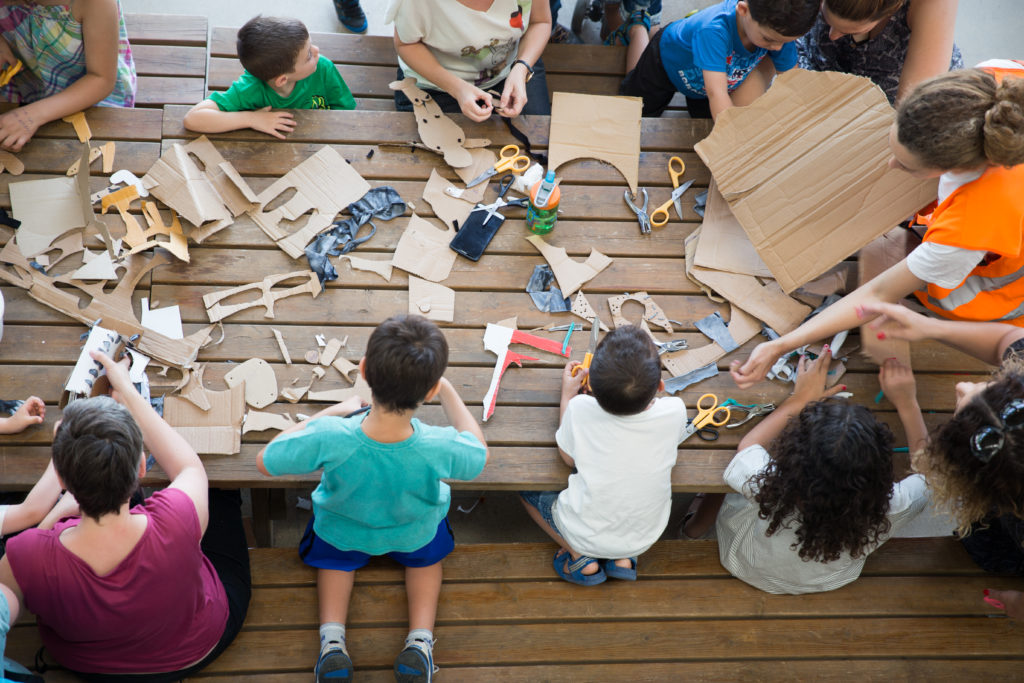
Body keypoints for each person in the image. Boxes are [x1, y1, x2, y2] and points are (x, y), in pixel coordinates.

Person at [732, 61, 1024, 389]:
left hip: (1002, 296)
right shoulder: (989, 88)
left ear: (948, 167)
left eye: (905, 165)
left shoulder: (970, 224)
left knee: (906, 268)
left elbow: (880, 292)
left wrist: (781, 344)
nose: (890, 164)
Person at [258, 315, 488, 683]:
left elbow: (266, 460)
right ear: (428, 392)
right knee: (427, 563)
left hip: (342, 531)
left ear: (364, 370)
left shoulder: (333, 435)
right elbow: (477, 452)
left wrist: (330, 413)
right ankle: (420, 643)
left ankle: (332, 645)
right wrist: (446, 390)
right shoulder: (438, 444)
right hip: (415, 531)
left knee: (334, 564)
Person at [0, 352, 251, 682]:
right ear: (143, 467)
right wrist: (127, 391)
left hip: (92, 667)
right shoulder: (176, 519)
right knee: (222, 496)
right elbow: (189, 466)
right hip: (196, 646)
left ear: (60, 479)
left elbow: (10, 594)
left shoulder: (27, 554)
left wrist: (51, 521)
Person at [697, 351, 929, 593]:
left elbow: (747, 448)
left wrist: (800, 400)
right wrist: (908, 404)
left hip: (741, 560)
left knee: (729, 481)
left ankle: (694, 526)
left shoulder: (772, 485)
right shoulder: (892, 505)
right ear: (879, 469)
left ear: (794, 452)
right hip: (824, 581)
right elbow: (928, 475)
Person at [858, 301, 1024, 618]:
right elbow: (1011, 340)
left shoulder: (995, 505)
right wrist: (928, 326)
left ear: (982, 480)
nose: (962, 385)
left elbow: (934, 477)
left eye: (962, 403)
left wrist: (907, 404)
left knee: (984, 541)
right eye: (991, 386)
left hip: (1009, 544)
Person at [520, 326, 686, 586]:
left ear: (591, 385)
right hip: (644, 535)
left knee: (527, 496)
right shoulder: (675, 410)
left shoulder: (580, 408)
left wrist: (567, 396)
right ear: (660, 387)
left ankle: (580, 557)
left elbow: (568, 459)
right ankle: (623, 558)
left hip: (582, 531)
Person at [619, 0, 819, 118]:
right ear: (743, 10)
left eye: (785, 42)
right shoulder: (713, 30)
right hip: (664, 63)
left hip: (704, 84)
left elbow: (794, 81)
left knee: (704, 125)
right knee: (636, 109)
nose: (777, 48)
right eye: (768, 39)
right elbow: (717, 93)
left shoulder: (778, 32)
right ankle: (639, 29)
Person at [184, 16, 355, 139]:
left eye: (311, 45)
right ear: (282, 80)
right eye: (309, 55)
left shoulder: (323, 68)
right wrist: (251, 119)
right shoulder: (250, 88)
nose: (317, 51)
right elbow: (193, 118)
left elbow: (347, 113)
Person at [0, 0, 137, 152]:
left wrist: (32, 114)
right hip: (25, 80)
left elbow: (101, 79)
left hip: (87, 92)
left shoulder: (96, 3)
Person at [387, 0, 552, 121]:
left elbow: (540, 22)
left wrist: (521, 68)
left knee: (538, 143)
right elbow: (406, 45)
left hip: (512, 69)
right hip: (435, 84)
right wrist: (457, 88)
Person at [797, 0, 962, 105]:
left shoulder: (933, 4)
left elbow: (913, 103)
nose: (832, 36)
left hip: (889, 94)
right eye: (827, 20)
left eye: (848, 30)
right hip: (823, 64)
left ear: (890, 11)